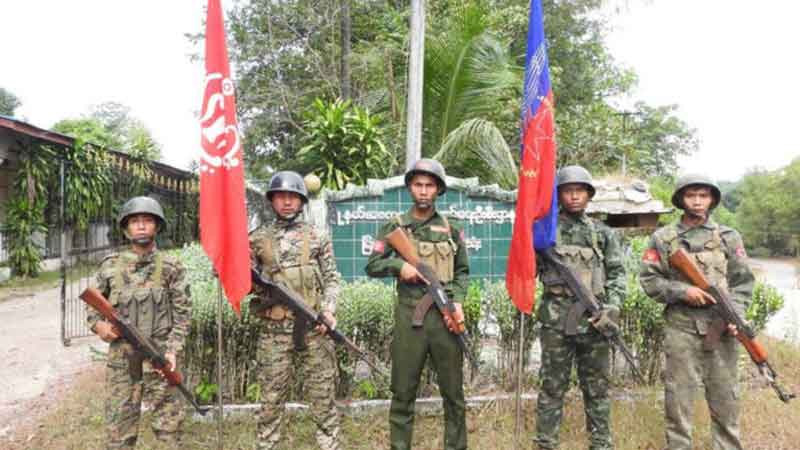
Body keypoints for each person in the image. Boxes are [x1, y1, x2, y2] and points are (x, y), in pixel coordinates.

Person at [640, 174, 754, 450]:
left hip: (722, 330)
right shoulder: (663, 238)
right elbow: (649, 280)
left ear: (713, 199)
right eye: (691, 195)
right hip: (681, 328)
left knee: (726, 399)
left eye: (704, 195)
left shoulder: (729, 236)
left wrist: (735, 316)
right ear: (681, 199)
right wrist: (683, 292)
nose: (698, 201)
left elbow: (743, 282)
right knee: (678, 401)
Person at [365, 158, 469, 450]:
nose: (424, 191)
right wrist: (400, 267)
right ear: (410, 188)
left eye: (430, 185)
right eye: (418, 185)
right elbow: (373, 264)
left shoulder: (452, 228)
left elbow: (462, 272)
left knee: (453, 393)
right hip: (411, 318)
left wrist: (458, 302)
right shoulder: (394, 226)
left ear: (438, 190)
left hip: (445, 317)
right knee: (403, 392)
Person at [533, 165, 626, 450]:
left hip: (595, 322)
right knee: (551, 388)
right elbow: (528, 269)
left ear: (589, 195)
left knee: (597, 389)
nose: (574, 196)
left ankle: (601, 444)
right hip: (555, 322)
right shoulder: (545, 232)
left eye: (580, 191)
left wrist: (611, 308)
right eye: (568, 191)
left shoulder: (602, 233)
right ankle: (546, 444)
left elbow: (618, 273)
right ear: (559, 195)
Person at [88, 196, 192, 449]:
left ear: (157, 227)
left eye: (148, 221)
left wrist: (172, 350)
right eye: (135, 221)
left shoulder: (171, 267)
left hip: (159, 358)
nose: (142, 226)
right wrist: (98, 326)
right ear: (126, 228)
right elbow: (92, 307)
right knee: (119, 429)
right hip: (122, 362)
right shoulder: (110, 267)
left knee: (168, 430)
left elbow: (183, 314)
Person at [249, 170, 342, 450]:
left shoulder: (317, 237)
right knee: (270, 401)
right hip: (274, 333)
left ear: (301, 201)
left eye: (293, 197)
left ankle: (329, 445)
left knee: (323, 398)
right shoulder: (256, 239)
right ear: (272, 201)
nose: (287, 202)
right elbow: (242, 281)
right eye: (281, 197)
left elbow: (332, 279)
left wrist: (328, 309)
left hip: (314, 329)